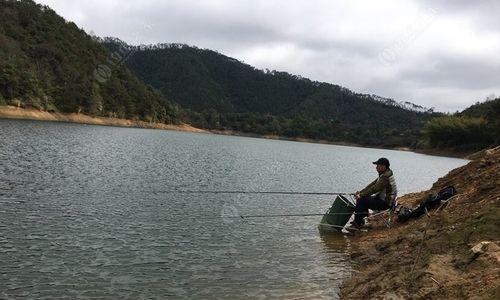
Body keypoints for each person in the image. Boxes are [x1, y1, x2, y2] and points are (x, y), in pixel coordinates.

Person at [349, 157, 398, 229]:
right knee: (362, 198)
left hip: (385, 203)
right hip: (385, 200)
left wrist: (361, 195)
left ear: (383, 166)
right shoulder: (385, 174)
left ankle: (357, 224)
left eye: (378, 165)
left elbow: (375, 189)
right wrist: (361, 192)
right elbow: (373, 184)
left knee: (361, 200)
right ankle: (360, 221)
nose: (376, 168)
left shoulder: (385, 177)